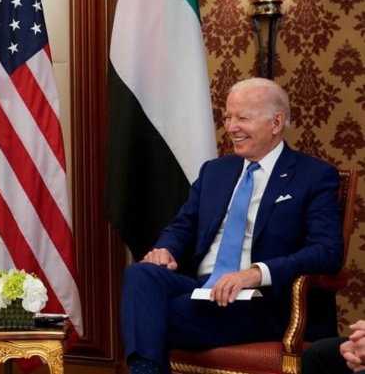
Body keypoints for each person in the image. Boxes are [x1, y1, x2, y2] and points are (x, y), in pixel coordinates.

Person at [121, 77, 344, 374]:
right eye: (227, 116)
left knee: (157, 315)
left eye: (242, 118)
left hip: (265, 301)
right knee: (141, 275)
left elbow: (327, 251)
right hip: (205, 288)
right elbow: (183, 226)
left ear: (276, 122)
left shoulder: (313, 176)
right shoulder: (216, 171)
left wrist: (255, 274)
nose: (230, 127)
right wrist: (165, 249)